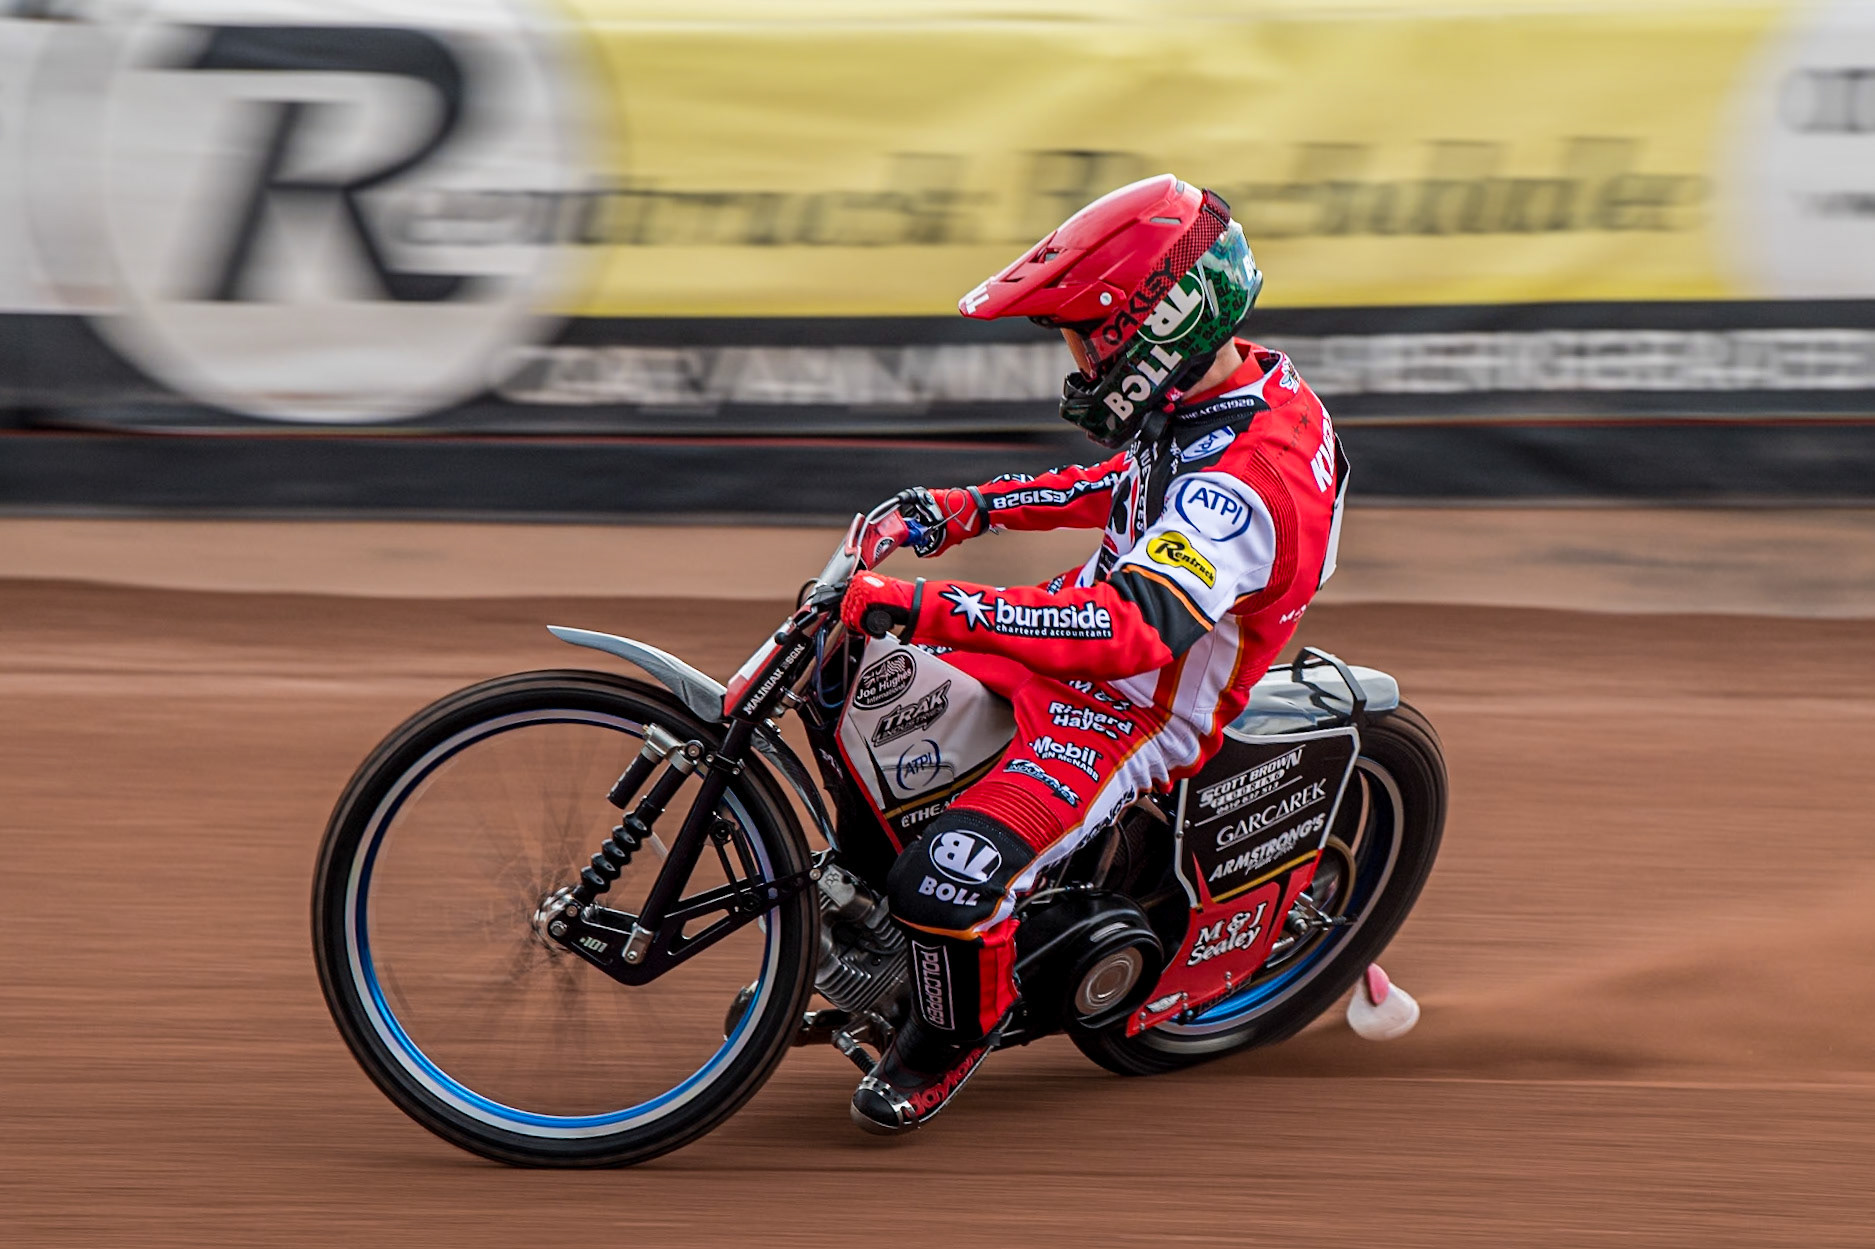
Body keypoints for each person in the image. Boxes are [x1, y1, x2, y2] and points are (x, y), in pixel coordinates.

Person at [838, 174, 1347, 1134]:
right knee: (842, 681)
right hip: (1068, 640)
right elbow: (1126, 479)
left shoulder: (1247, 478)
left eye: (1084, 336)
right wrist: (970, 507)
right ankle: (865, 933)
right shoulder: (1230, 388)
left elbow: (1129, 634)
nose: (1073, 363)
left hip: (1124, 707)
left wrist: (929, 605)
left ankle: (950, 1034)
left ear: (1159, 326)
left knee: (945, 878)